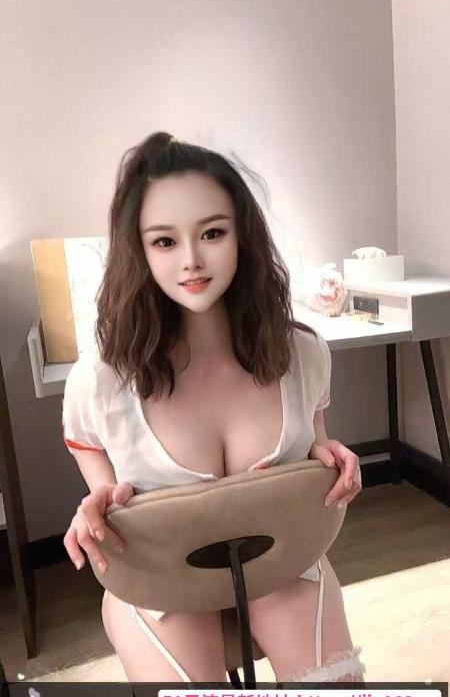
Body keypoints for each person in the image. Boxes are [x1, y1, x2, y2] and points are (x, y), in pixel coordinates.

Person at [62, 131, 365, 684]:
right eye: (164, 241)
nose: (192, 260)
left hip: (283, 561)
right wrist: (99, 502)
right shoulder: (103, 379)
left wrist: (327, 455)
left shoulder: (301, 355)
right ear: (138, 250)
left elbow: (314, 444)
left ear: (242, 236)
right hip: (157, 579)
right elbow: (86, 450)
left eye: (212, 233)